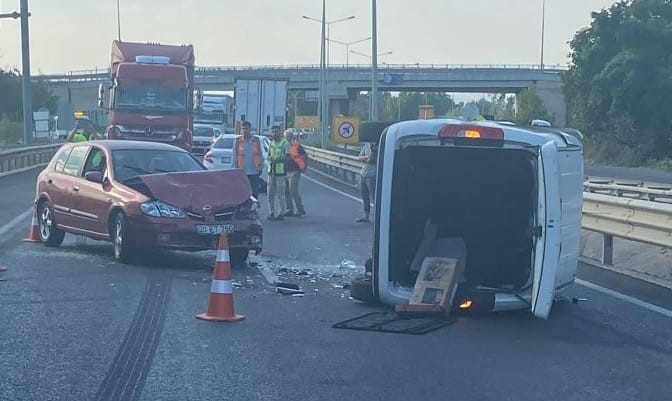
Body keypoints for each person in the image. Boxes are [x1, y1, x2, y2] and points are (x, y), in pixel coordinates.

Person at [233, 121, 264, 199]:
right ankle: (243, 208)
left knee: (254, 191)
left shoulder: (256, 140)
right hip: (242, 171)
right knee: (242, 192)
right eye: (243, 129)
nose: (244, 131)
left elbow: (260, 154)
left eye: (246, 128)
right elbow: (234, 155)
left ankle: (253, 208)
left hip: (254, 170)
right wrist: (235, 168)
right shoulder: (238, 140)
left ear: (250, 129)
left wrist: (261, 166)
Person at [267, 125, 289, 220]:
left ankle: (281, 213)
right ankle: (271, 212)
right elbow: (268, 155)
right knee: (270, 194)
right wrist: (270, 159)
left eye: (276, 132)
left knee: (281, 194)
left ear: (280, 132)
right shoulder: (271, 143)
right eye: (273, 132)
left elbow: (288, 157)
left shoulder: (285, 143)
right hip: (271, 172)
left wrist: (278, 160)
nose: (275, 134)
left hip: (280, 172)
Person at [283, 129, 307, 217]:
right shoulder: (284, 145)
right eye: (286, 136)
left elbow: (304, 156)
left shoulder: (297, 146)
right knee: (286, 191)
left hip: (295, 171)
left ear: (292, 137)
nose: (287, 138)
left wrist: (304, 167)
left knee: (293, 190)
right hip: (285, 170)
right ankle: (289, 209)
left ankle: (300, 209)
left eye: (289, 136)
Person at [356, 141, 378, 222]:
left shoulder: (378, 146)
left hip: (373, 175)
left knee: (374, 197)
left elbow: (372, 160)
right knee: (365, 197)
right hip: (364, 174)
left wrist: (366, 159)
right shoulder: (367, 145)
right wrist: (367, 157)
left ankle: (377, 216)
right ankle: (366, 216)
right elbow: (359, 158)